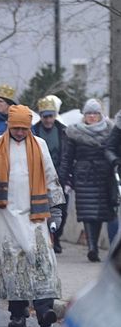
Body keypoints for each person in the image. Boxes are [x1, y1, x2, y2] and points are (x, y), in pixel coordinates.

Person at [0, 105, 65, 327]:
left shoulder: (40, 145)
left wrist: (56, 211)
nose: (20, 133)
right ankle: (18, 312)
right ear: (9, 125)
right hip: (5, 214)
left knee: (42, 259)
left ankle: (45, 311)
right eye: (16, 128)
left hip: (35, 215)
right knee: (13, 262)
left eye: (24, 129)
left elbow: (51, 179)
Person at [60, 99, 117, 262]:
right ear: (84, 115)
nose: (92, 116)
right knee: (87, 212)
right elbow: (67, 158)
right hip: (84, 176)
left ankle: (95, 246)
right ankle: (92, 246)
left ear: (100, 115)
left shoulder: (110, 130)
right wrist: (62, 179)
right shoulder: (74, 132)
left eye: (95, 113)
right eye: (89, 113)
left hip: (104, 176)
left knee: (100, 212)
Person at [31, 96, 68, 253]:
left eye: (50, 116)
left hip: (60, 174)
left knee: (61, 208)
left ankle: (57, 236)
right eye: (45, 116)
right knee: (41, 208)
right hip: (40, 174)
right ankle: (44, 238)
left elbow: (66, 153)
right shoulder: (34, 130)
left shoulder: (62, 131)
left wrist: (65, 175)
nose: (48, 119)